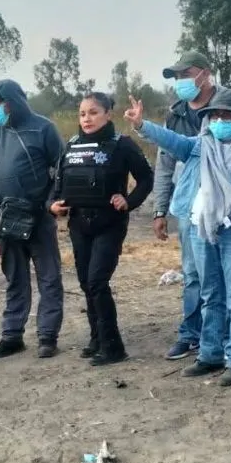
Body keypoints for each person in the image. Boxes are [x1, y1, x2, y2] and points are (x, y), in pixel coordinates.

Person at [129, 89, 231, 385]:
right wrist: (142, 124)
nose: (220, 121)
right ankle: (209, 354)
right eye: (215, 115)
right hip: (203, 228)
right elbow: (172, 141)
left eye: (227, 116)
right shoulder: (200, 146)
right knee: (210, 294)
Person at [48, 91, 154, 365]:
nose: (87, 118)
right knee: (86, 283)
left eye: (93, 112)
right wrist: (53, 206)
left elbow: (146, 179)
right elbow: (57, 186)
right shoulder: (70, 146)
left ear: (108, 114)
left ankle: (113, 347)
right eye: (82, 114)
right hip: (79, 225)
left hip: (110, 224)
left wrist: (128, 201)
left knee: (97, 281)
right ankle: (96, 338)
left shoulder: (122, 145)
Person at [0, 79, 65, 358]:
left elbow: (61, 168)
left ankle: (47, 335)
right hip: (6, 220)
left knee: (48, 277)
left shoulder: (44, 128)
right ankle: (12, 334)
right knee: (15, 278)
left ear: (13, 101)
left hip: (39, 218)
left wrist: (50, 202)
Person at [158, 50, 231, 360]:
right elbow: (164, 163)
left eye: (185, 74)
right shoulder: (175, 114)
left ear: (204, 73)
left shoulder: (229, 104)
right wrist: (160, 209)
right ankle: (191, 333)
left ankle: (224, 334)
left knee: (223, 272)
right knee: (192, 273)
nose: (180, 82)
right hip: (188, 205)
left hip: (225, 205)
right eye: (177, 77)